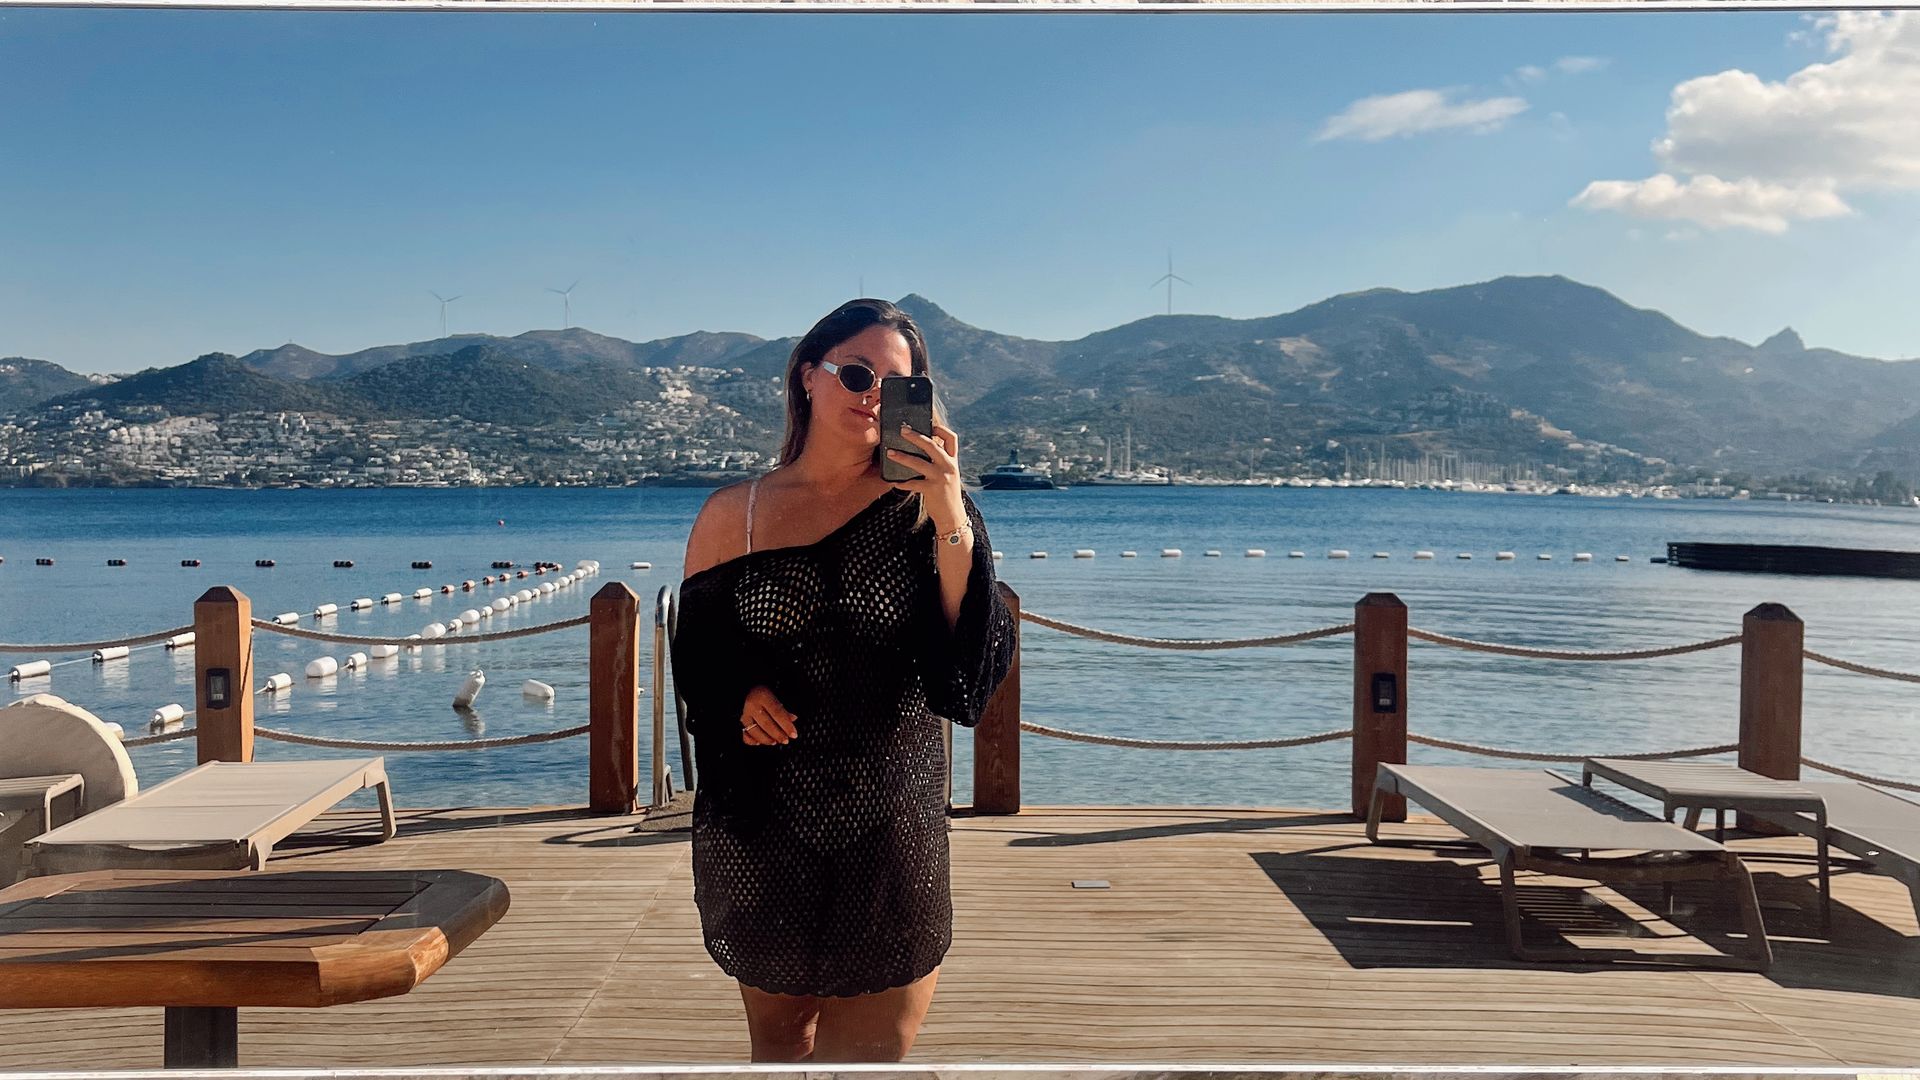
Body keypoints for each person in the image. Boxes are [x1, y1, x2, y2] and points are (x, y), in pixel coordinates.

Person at [671, 298, 1016, 1062]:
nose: (872, 395)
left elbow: (967, 674)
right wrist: (739, 698)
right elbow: (697, 657)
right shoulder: (737, 513)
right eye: (857, 373)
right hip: (760, 825)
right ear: (806, 379)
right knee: (778, 1051)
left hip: (890, 826)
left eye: (899, 384)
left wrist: (949, 510)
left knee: (869, 1062)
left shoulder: (932, 510)